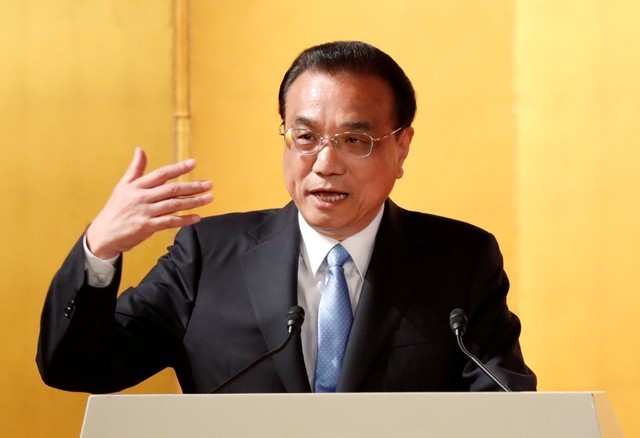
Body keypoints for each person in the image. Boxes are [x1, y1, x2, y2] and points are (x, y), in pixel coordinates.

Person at [37, 41, 536, 394]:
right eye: (305, 137)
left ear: (401, 147)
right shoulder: (207, 256)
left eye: (355, 140)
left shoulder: (459, 260)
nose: (325, 163)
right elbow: (77, 369)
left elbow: (502, 400)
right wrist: (99, 250)